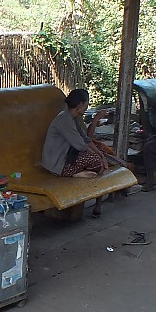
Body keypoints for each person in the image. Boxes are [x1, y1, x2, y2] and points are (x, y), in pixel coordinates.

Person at [41, 88, 110, 216]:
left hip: (69, 157)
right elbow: (81, 145)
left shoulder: (74, 118)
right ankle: (73, 174)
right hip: (58, 165)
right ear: (79, 105)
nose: (86, 108)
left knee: (100, 151)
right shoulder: (64, 120)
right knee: (95, 161)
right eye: (86, 105)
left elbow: (86, 139)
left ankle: (81, 173)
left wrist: (101, 155)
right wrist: (99, 158)